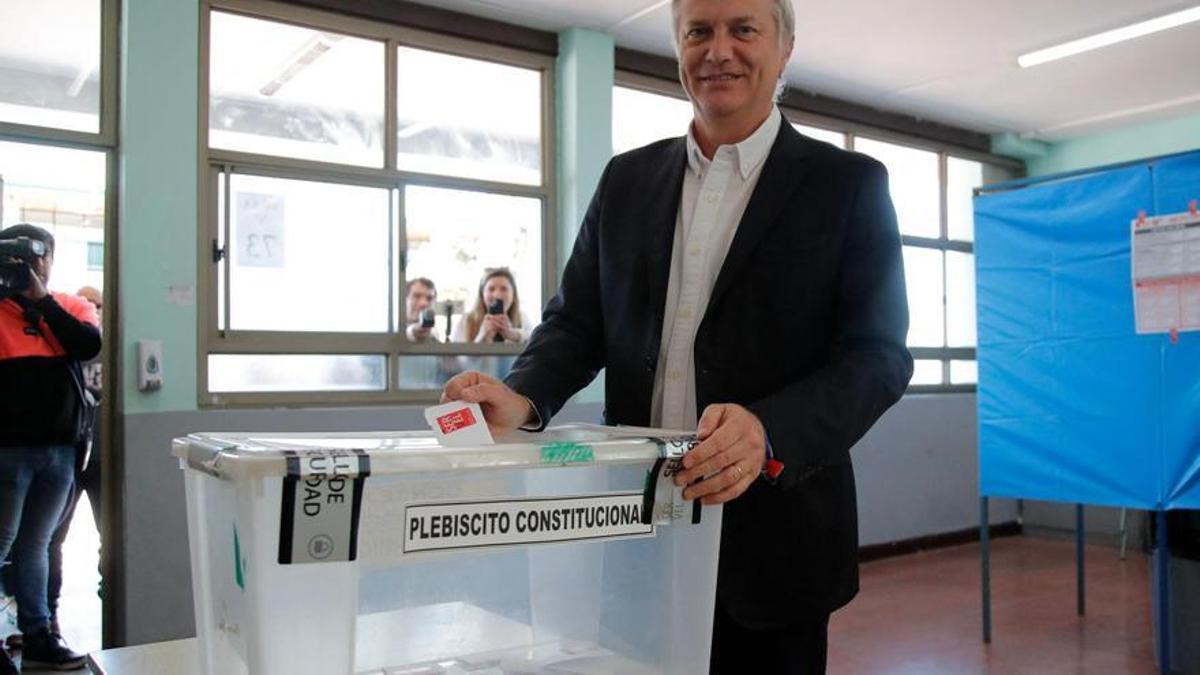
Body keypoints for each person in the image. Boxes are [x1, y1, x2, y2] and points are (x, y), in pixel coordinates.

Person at [440, 0, 912, 672]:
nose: (719, 50)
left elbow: (879, 357)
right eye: (699, 32)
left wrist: (768, 429)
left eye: (743, 29)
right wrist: (522, 395)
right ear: (678, 48)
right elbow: (577, 320)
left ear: (785, 48)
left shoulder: (848, 186)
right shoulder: (627, 180)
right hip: (642, 536)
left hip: (775, 547)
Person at [0, 224, 96, 672]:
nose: (26, 266)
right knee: (0, 543)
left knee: (36, 544)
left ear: (49, 261)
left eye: (34, 257)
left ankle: (38, 634)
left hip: (59, 448)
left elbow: (87, 345)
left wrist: (40, 300)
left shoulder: (70, 307)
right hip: (6, 449)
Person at [450, 267, 531, 344]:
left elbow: (533, 344)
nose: (497, 295)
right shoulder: (467, 320)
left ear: (513, 295)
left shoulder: (522, 318)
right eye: (491, 289)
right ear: (482, 295)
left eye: (504, 289)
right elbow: (457, 357)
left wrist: (512, 334)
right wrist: (482, 336)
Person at [404, 277, 440, 343]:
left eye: (429, 298)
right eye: (417, 296)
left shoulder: (434, 335)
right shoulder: (388, 328)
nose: (423, 303)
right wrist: (412, 332)